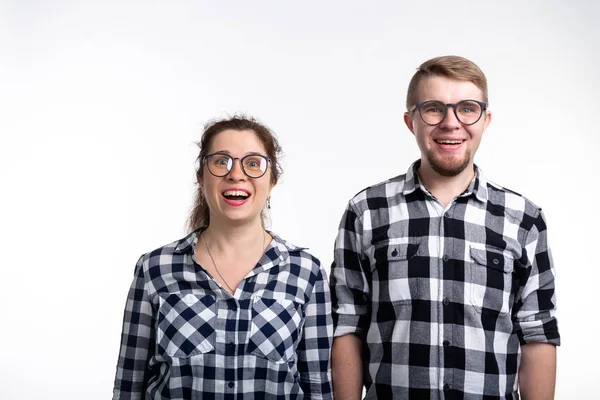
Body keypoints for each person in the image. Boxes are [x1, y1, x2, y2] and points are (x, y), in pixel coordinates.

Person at [330, 56, 560, 399]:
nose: (451, 123)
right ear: (411, 121)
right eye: (434, 109)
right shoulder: (366, 211)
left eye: (467, 109)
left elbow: (538, 333)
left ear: (485, 120)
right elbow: (348, 325)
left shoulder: (523, 218)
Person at [113, 116, 333, 399]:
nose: (236, 175)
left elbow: (318, 388)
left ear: (273, 181)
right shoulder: (155, 269)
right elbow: (128, 385)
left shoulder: (306, 273)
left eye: (253, 163)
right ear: (201, 178)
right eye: (221, 162)